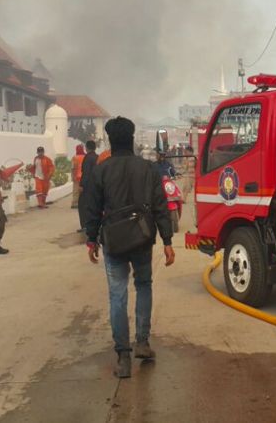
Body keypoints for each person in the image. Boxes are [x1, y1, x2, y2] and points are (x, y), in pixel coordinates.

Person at [85, 117, 174, 379]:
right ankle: (143, 344)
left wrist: (92, 239)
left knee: (117, 296)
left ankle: (123, 357)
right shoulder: (147, 169)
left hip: (113, 242)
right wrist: (167, 241)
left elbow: (91, 207)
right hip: (142, 239)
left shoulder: (101, 170)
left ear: (110, 141)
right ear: (132, 138)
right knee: (144, 286)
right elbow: (161, 205)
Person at [78, 140, 98, 232]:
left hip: (87, 186)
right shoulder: (97, 157)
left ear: (87, 148)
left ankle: (85, 226)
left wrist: (82, 185)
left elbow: (86, 172)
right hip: (96, 185)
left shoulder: (88, 157)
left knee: (83, 205)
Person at [71, 144, 85, 209]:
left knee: (76, 190)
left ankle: (75, 203)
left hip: (77, 176)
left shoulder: (74, 157)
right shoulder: (85, 156)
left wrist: (73, 176)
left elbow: (73, 168)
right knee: (84, 191)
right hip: (84, 177)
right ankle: (83, 203)